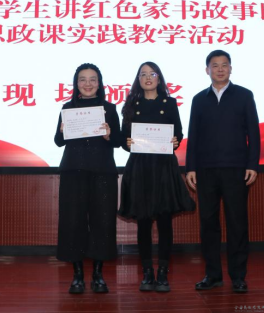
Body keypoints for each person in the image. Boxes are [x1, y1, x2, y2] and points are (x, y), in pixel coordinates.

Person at [185, 50, 261, 293]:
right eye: (215, 65)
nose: (220, 69)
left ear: (231, 68)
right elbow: (193, 135)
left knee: (237, 223)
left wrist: (252, 165)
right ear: (207, 70)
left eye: (224, 65)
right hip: (206, 170)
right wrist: (190, 167)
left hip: (236, 169)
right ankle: (213, 275)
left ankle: (238, 276)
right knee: (208, 223)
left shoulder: (244, 95)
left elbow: (254, 133)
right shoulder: (199, 99)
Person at [118, 62, 195, 293]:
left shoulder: (169, 103)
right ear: (138, 80)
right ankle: (147, 272)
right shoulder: (131, 104)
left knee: (164, 220)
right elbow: (123, 139)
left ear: (159, 78)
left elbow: (178, 132)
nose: (148, 77)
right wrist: (127, 143)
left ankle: (162, 272)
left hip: (163, 167)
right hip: (140, 167)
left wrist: (175, 141)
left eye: (152, 74)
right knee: (143, 221)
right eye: (143, 74)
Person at [54, 63, 122, 294]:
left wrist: (109, 135)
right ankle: (78, 276)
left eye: (93, 79)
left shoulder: (109, 108)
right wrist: (62, 131)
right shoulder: (67, 108)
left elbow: (118, 141)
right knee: (73, 222)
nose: (88, 84)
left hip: (102, 172)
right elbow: (58, 141)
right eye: (83, 79)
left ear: (99, 83)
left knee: (102, 222)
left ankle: (98, 275)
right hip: (73, 172)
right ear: (76, 83)